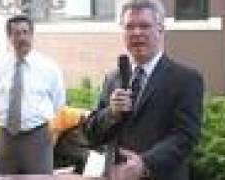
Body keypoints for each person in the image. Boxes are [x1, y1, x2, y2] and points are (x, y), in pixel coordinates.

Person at [84, 0, 204, 180]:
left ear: (161, 30)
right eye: (129, 27)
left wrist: (144, 163)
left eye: (145, 26)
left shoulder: (186, 79)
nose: (137, 33)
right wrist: (112, 113)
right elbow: (92, 134)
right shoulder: (113, 78)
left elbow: (185, 136)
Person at [0, 15, 65, 174]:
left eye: (25, 32)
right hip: (6, 138)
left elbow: (58, 103)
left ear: (32, 35)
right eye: (16, 33)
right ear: (9, 37)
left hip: (37, 137)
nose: (22, 37)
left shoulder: (49, 67)